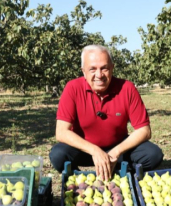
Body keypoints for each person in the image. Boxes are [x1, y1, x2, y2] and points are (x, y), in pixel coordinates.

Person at [49, 45, 163, 181]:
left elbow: (144, 131)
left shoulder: (127, 88)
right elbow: (61, 132)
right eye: (92, 69)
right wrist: (94, 150)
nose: (99, 75)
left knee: (153, 154)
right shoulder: (72, 88)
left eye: (104, 68)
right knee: (58, 155)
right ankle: (80, 179)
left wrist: (116, 151)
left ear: (112, 68)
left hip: (117, 149)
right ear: (83, 71)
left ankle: (121, 173)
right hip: (84, 150)